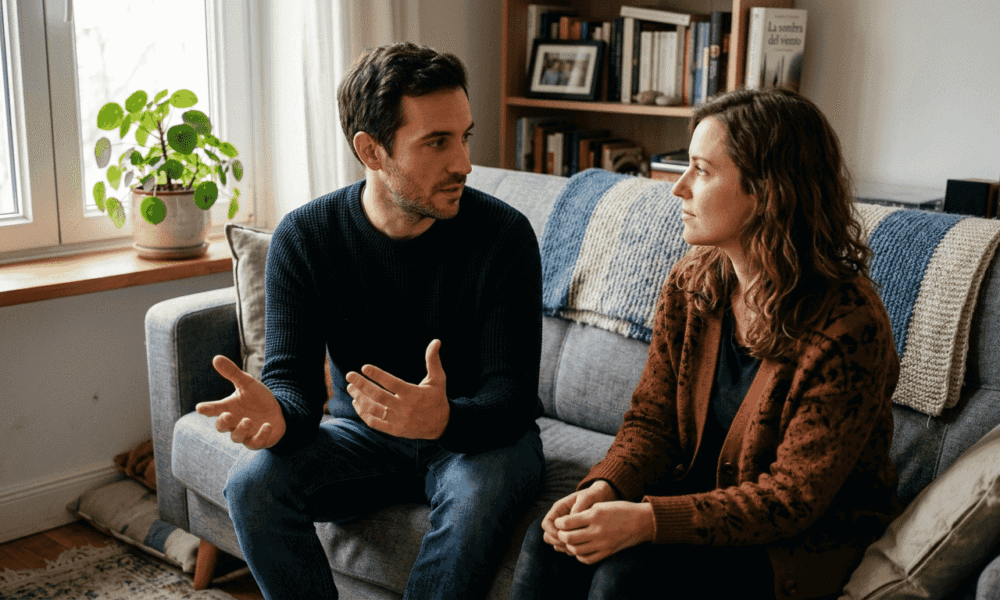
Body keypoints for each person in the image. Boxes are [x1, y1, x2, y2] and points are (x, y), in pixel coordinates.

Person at [510, 88, 901, 600]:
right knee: (550, 544)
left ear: (768, 191)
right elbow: (653, 423)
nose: (678, 189)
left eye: (701, 169)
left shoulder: (850, 326)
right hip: (699, 501)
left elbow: (792, 499)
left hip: (798, 542)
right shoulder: (693, 283)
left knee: (624, 581)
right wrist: (606, 487)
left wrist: (648, 521)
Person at [196, 42, 545, 600]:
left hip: (480, 441)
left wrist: (443, 419)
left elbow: (513, 398)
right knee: (252, 486)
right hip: (363, 437)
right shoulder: (306, 238)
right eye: (437, 142)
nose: (464, 162)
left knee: (481, 490)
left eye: (464, 135)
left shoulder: (504, 236)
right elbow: (295, 385)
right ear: (372, 150)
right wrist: (279, 417)